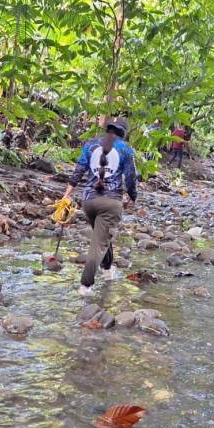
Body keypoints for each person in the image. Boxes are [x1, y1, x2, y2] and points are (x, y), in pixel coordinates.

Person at [63, 116, 137, 297]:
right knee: (98, 244)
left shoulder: (90, 145)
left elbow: (78, 171)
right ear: (123, 133)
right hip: (111, 202)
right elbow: (130, 178)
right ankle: (85, 286)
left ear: (108, 128)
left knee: (102, 236)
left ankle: (107, 270)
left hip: (88, 201)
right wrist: (133, 197)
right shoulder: (126, 149)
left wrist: (67, 194)